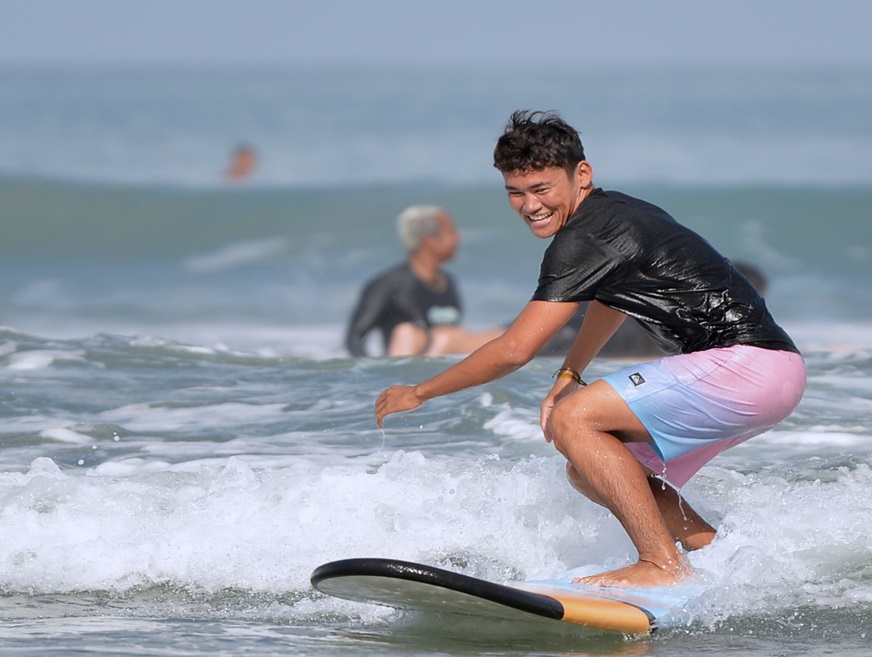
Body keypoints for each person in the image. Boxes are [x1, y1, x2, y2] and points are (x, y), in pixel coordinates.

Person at [374, 111, 805, 588]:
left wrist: (419, 392)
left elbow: (514, 350)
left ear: (582, 174)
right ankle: (725, 562)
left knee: (574, 420)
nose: (529, 205)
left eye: (542, 188)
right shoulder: (618, 214)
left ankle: (660, 565)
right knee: (589, 470)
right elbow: (609, 301)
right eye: (516, 192)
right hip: (773, 375)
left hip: (743, 367)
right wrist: (569, 374)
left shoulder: (584, 237)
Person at [345, 205, 504, 357]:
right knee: (413, 333)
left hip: (442, 368)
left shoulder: (448, 282)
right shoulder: (389, 283)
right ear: (429, 240)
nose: (458, 238)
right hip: (406, 369)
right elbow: (354, 338)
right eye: (451, 232)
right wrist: (372, 376)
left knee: (500, 334)